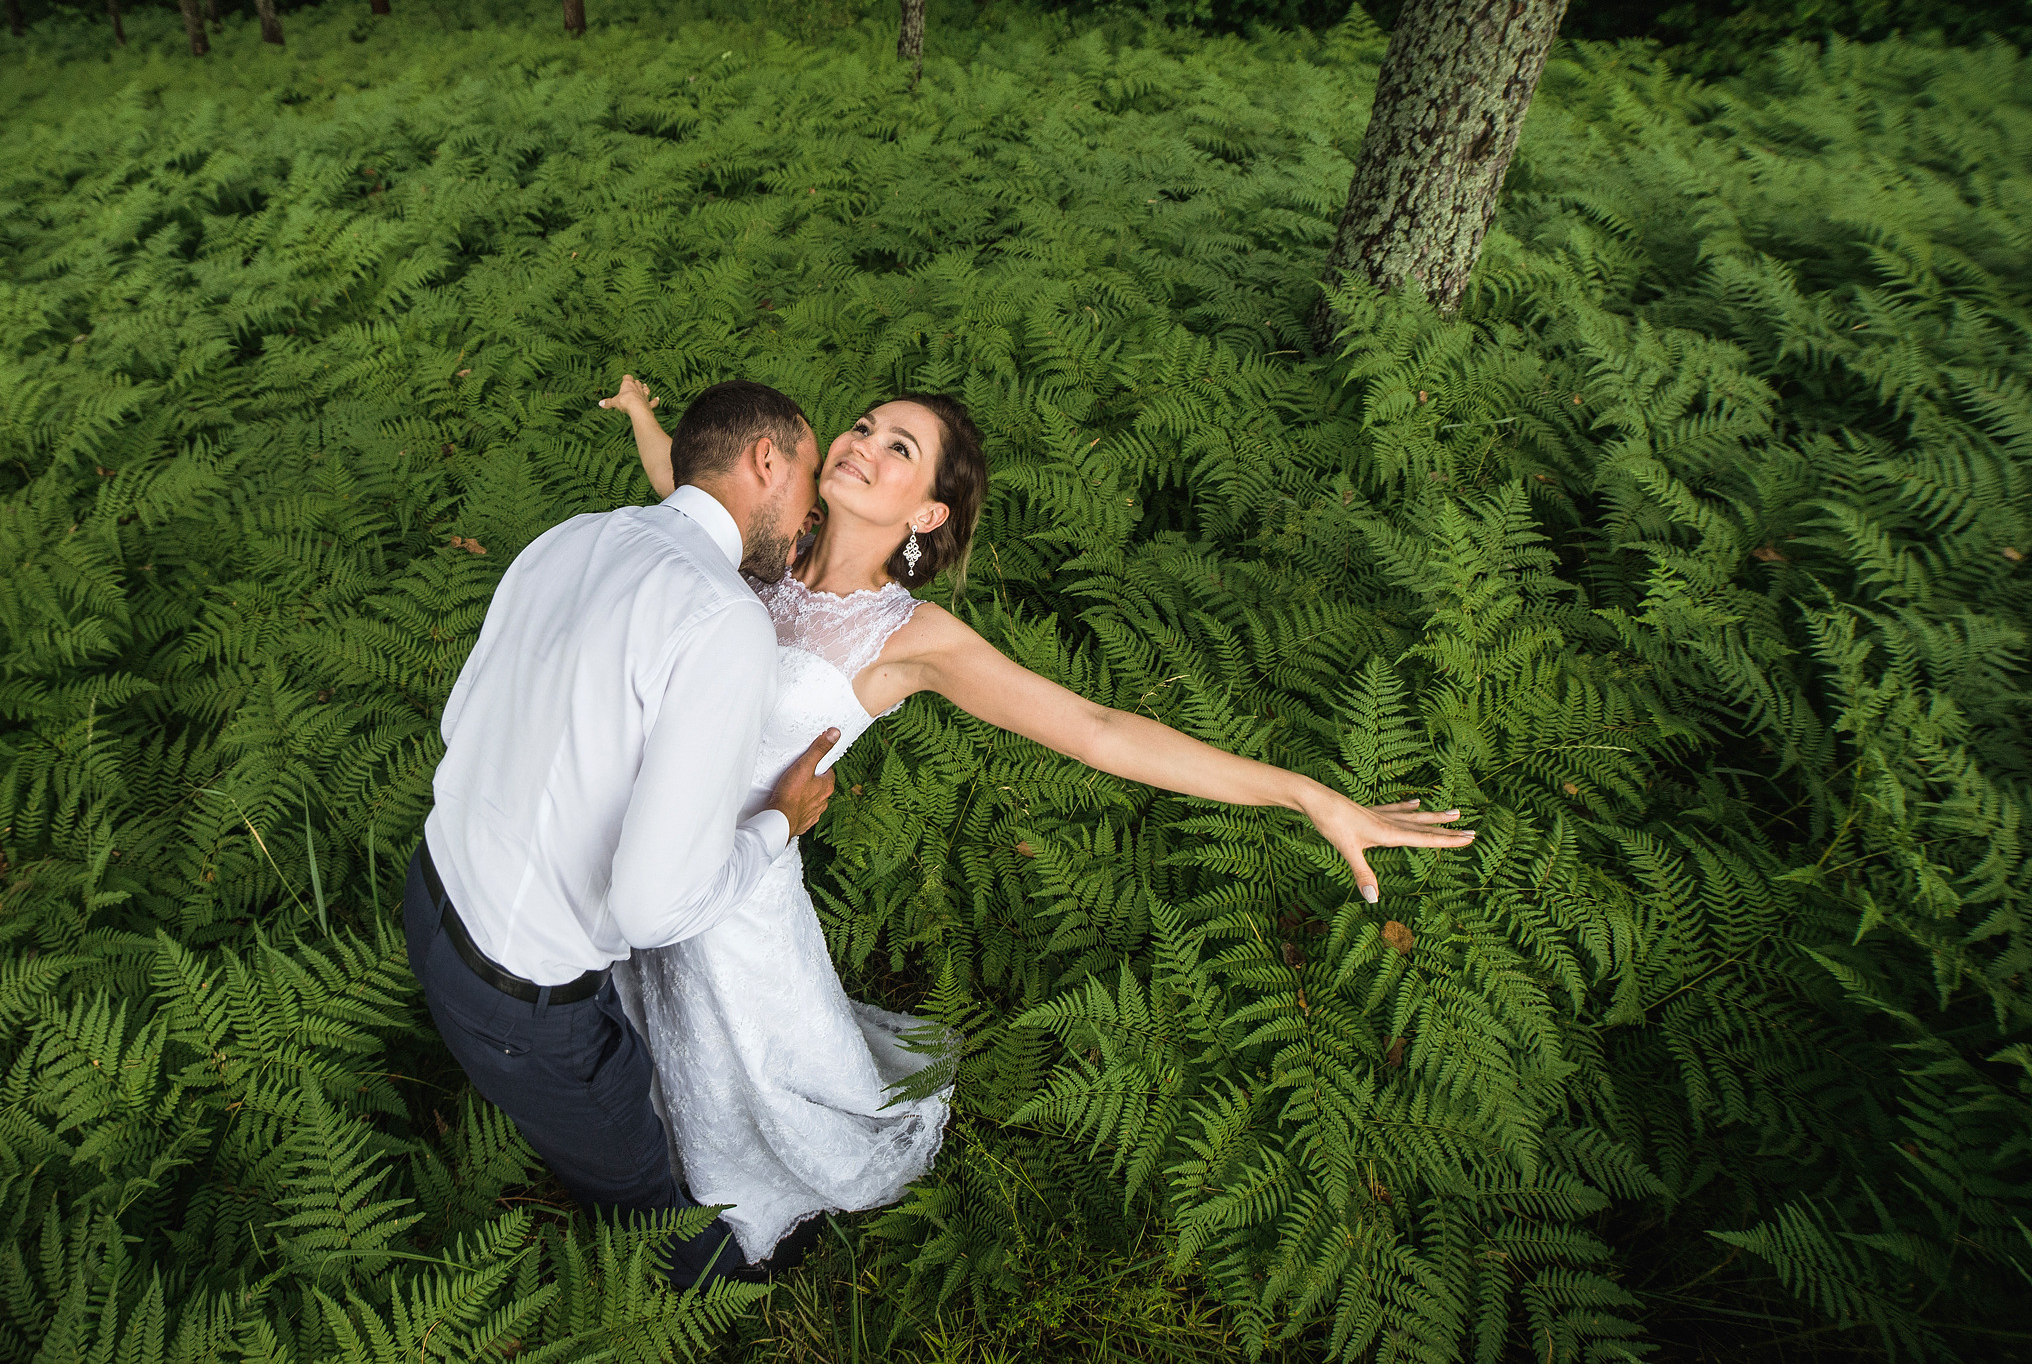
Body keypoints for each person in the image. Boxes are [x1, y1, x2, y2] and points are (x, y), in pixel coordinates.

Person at [597, 374, 1477, 1268]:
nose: (862, 443)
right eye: (864, 426)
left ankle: (714, 1216)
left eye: (899, 447)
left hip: (743, 894)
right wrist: (642, 415)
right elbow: (687, 484)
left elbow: (1099, 730)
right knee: (646, 1022)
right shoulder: (768, 549)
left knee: (736, 1077)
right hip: (658, 842)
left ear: (930, 516)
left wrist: (1308, 795)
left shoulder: (912, 640)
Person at [403, 379, 841, 1290]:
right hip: (522, 1005)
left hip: (430, 892)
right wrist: (776, 823)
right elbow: (650, 904)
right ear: (769, 458)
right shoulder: (724, 622)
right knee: (641, 1191)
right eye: (810, 490)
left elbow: (463, 716)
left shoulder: (572, 534)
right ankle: (712, 1302)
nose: (811, 522)